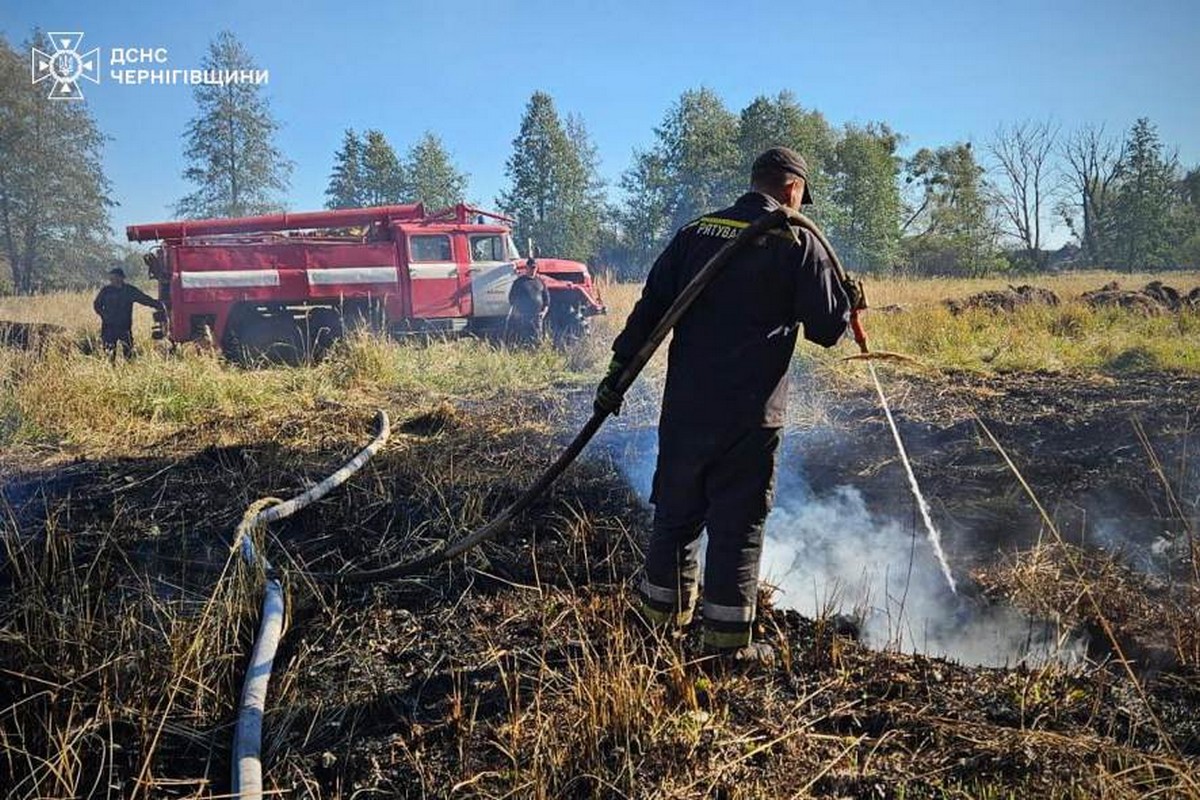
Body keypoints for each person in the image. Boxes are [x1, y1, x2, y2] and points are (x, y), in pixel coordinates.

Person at [595, 147, 864, 665]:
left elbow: (651, 311)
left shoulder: (696, 233)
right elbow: (828, 331)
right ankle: (723, 649)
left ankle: (657, 631)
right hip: (751, 418)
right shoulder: (797, 240)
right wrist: (847, 298)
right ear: (793, 189)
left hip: (685, 412)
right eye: (803, 195)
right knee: (737, 527)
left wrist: (617, 375)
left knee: (676, 515)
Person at [92, 267, 162, 361]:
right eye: (111, 278)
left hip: (124, 327)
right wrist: (104, 315)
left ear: (121, 278)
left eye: (115, 278)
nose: (112, 280)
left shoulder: (129, 290)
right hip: (109, 327)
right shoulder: (106, 291)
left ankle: (128, 371)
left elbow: (144, 299)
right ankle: (111, 373)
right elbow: (97, 305)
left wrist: (158, 305)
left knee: (128, 353)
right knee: (109, 354)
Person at [507, 257, 550, 344]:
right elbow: (512, 298)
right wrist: (517, 311)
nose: (532, 269)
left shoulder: (540, 282)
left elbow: (547, 300)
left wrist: (544, 312)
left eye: (534, 267)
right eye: (531, 267)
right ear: (526, 268)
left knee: (537, 340)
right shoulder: (519, 282)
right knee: (523, 340)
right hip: (523, 317)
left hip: (537, 317)